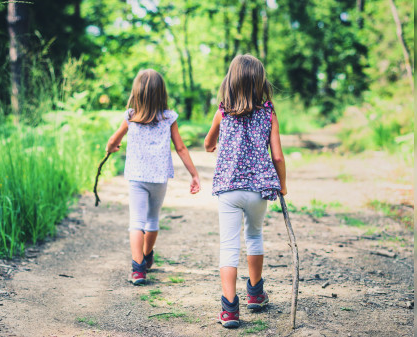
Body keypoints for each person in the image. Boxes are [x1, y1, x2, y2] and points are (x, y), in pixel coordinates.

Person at [204, 54, 287, 328]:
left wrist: (212, 144)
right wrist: (282, 184)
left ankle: (229, 309)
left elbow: (207, 142)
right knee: (254, 235)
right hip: (258, 188)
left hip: (228, 187)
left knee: (228, 244)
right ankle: (255, 294)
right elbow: (277, 156)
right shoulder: (269, 112)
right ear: (259, 82)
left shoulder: (223, 112)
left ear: (231, 81)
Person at [106, 69, 201, 285]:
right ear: (162, 93)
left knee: (136, 221)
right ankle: (147, 255)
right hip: (159, 178)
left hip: (137, 177)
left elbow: (113, 141)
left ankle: (138, 268)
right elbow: (181, 148)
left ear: (136, 92)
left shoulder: (130, 117)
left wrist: (111, 147)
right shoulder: (168, 117)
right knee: (152, 219)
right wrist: (194, 174)